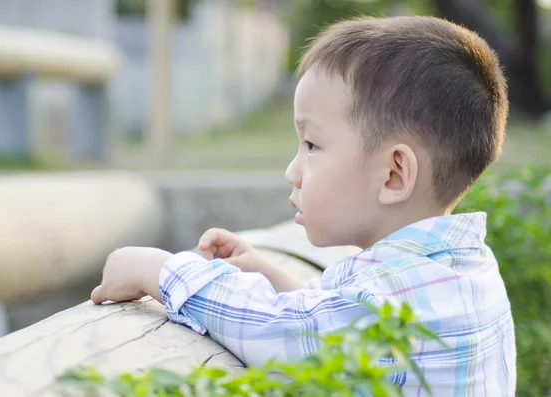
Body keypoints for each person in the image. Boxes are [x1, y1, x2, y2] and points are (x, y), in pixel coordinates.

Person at [91, 16, 516, 396]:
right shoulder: (462, 270)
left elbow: (286, 333)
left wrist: (156, 270)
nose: (293, 171)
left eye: (312, 144)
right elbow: (336, 326)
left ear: (393, 175)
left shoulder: (404, 297)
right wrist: (270, 275)